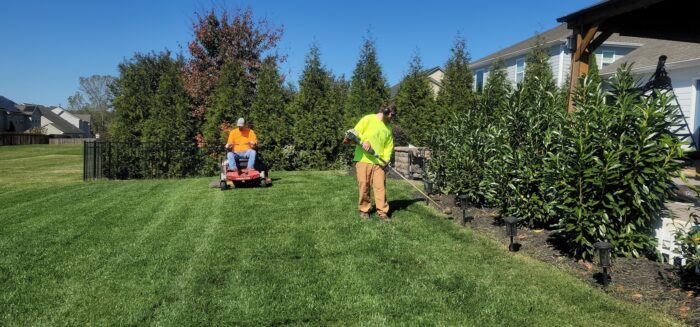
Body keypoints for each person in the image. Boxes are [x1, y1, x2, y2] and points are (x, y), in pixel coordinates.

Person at [349, 101, 395, 221]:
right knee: (364, 185)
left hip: (378, 163)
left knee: (380, 187)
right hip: (364, 159)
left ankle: (383, 212)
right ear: (386, 112)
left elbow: (388, 146)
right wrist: (364, 140)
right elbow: (354, 133)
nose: (392, 118)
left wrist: (386, 159)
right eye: (392, 115)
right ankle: (364, 210)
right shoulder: (368, 119)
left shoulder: (388, 128)